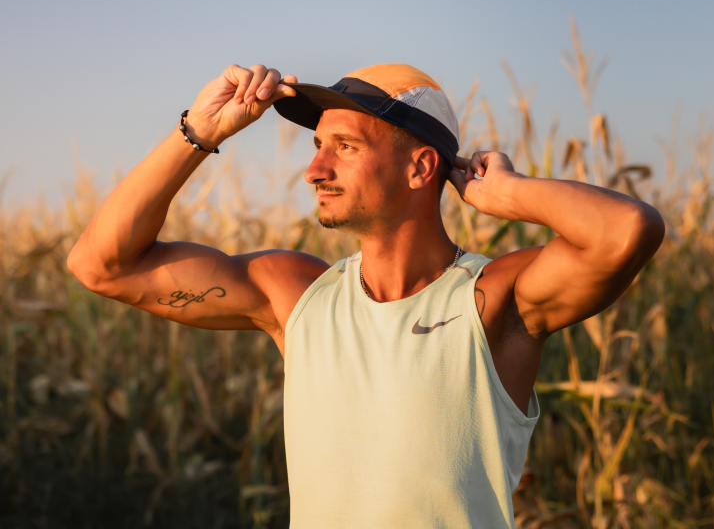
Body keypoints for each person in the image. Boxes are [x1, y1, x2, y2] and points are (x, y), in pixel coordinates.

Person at [67, 62, 665, 527]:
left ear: (420, 167)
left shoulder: (491, 301)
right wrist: (197, 132)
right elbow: (101, 266)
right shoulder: (294, 296)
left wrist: (507, 193)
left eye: (345, 147)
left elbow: (626, 231)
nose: (315, 169)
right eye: (317, 146)